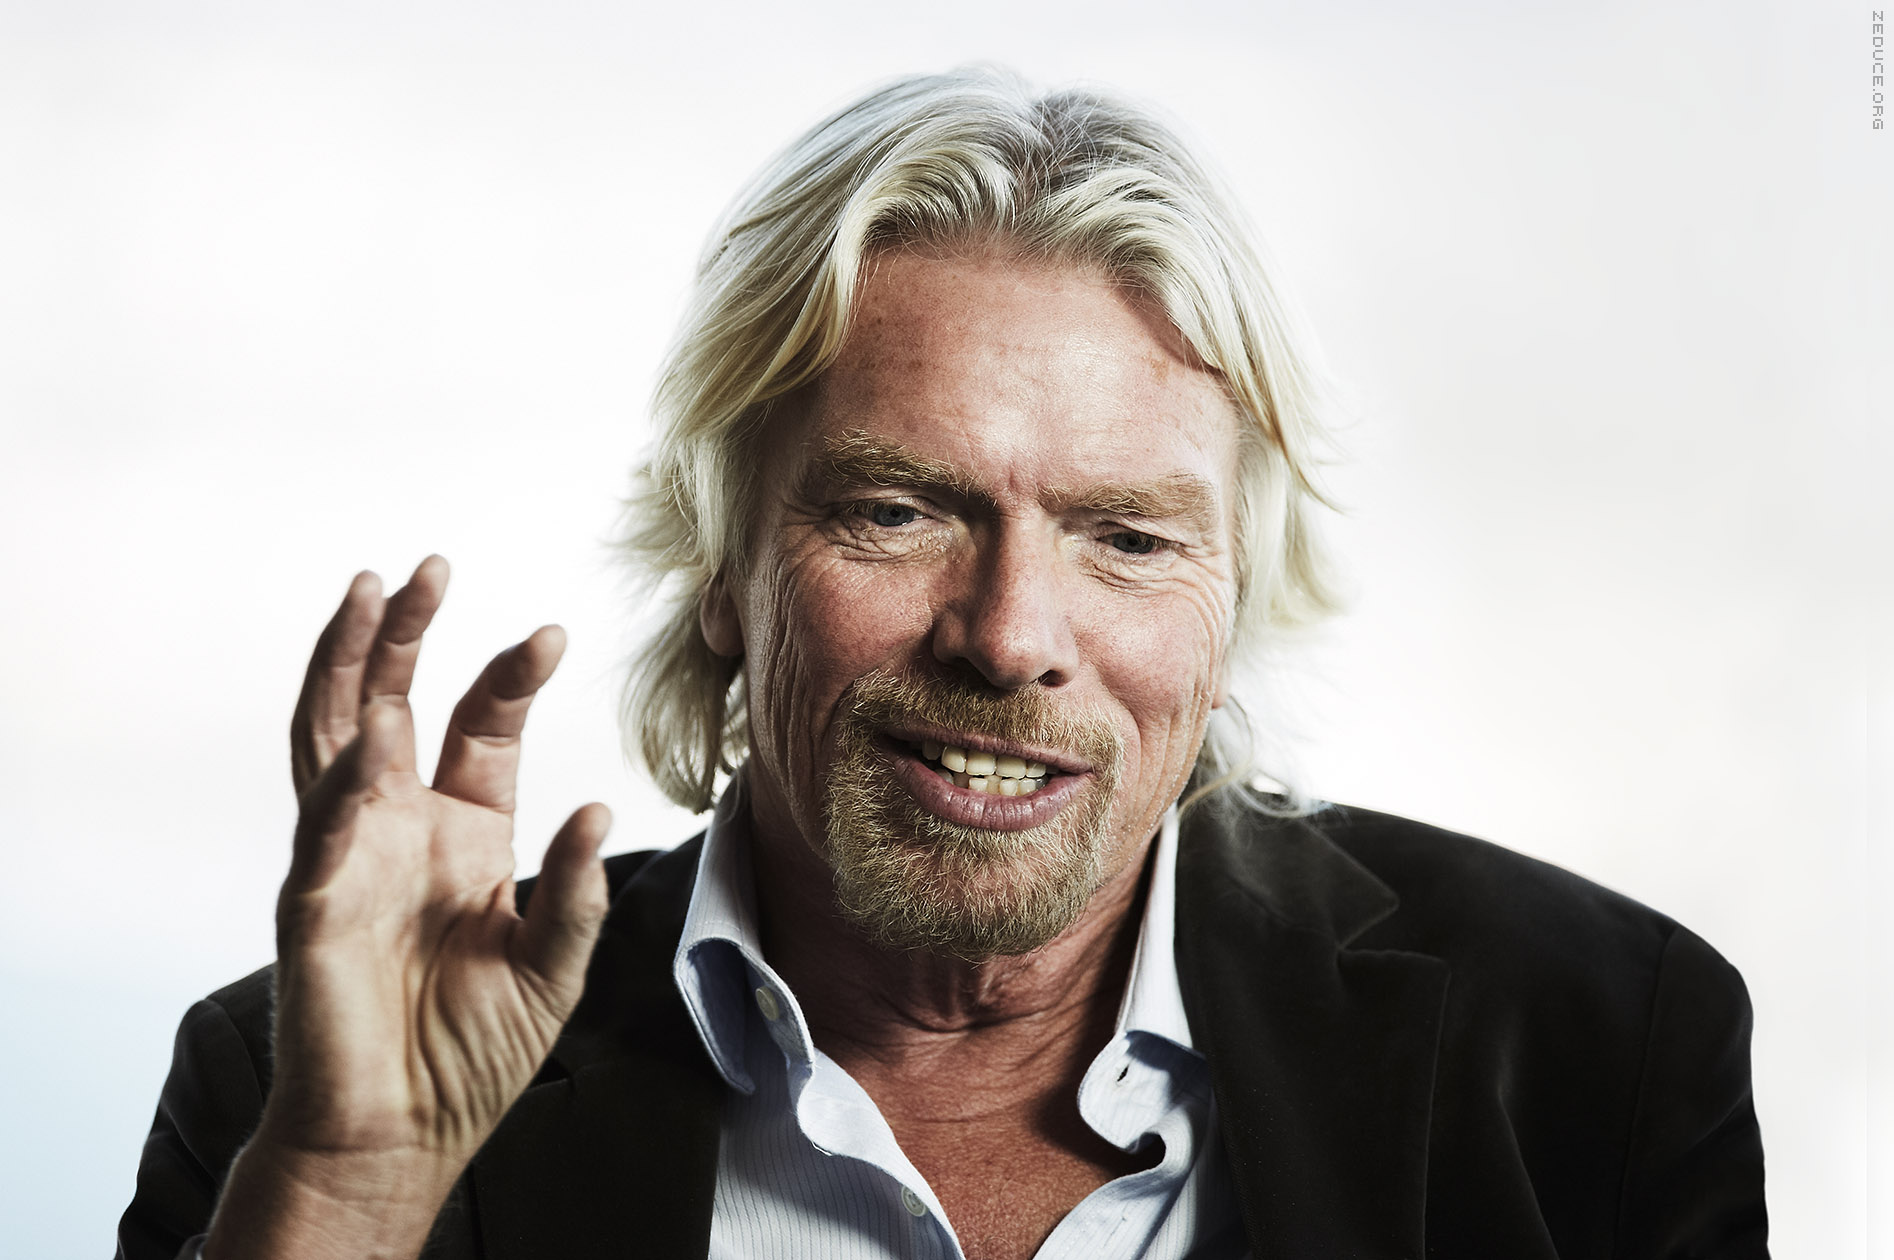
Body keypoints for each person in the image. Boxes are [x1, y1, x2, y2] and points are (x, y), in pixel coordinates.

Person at [118, 69, 1769, 1260]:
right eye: (898, 511)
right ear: (722, 568)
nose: (1010, 636)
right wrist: (347, 1188)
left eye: (1127, 537)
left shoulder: (1594, 1050)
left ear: (1231, 600)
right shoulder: (300, 1094)